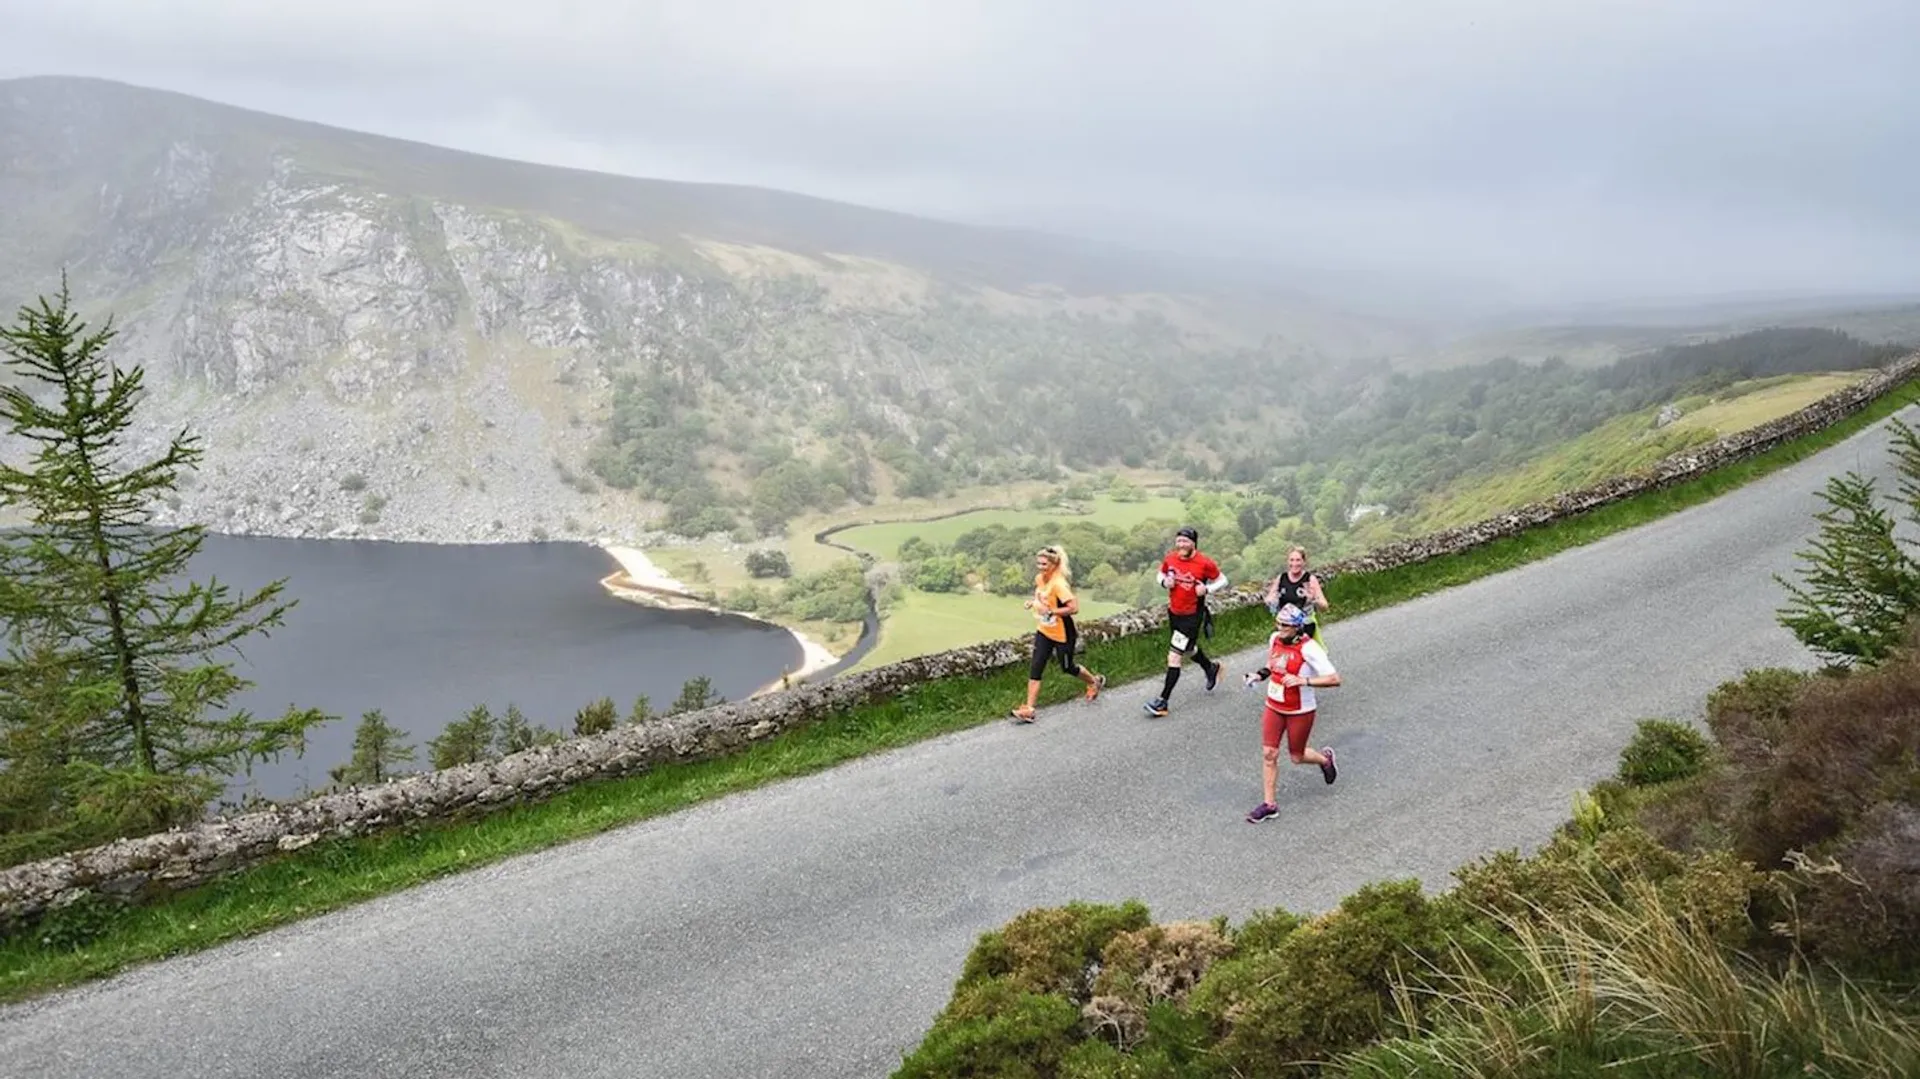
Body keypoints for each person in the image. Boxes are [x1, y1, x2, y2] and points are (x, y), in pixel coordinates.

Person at [1241, 603, 1339, 823]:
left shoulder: (1309, 649)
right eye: (1278, 623)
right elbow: (1272, 664)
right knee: (1269, 754)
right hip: (1274, 706)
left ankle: (1324, 760)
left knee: (1297, 756)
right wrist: (1258, 675)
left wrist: (1303, 680)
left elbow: (1334, 679)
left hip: (1300, 710)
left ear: (1296, 627)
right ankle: (1269, 805)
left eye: (1285, 625)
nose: (1280, 627)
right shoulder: (1274, 638)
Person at [1010, 543, 1106, 723]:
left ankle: (1094, 681)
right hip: (1045, 630)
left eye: (1044, 564)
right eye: (1038, 563)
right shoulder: (1040, 579)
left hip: (1064, 632)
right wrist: (1032, 603)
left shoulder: (1059, 584)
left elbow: (1074, 608)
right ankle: (1029, 709)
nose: (1040, 567)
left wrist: (1051, 612)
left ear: (1054, 564)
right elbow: (1042, 598)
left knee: (1067, 667)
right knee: (1036, 667)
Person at [1143, 526, 1227, 718]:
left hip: (1192, 615)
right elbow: (1160, 574)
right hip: (1174, 612)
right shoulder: (1171, 558)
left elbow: (1223, 580)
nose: (1181, 545)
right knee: (1189, 649)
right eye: (1179, 541)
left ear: (1193, 543)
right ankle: (1211, 668)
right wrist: (1165, 583)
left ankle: (1162, 702)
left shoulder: (1204, 562)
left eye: (1185, 541)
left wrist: (1207, 590)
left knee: (1174, 657)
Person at [1264, 545, 1330, 640]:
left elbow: (1325, 606)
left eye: (1298, 560)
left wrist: (1313, 600)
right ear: (1288, 562)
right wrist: (1272, 601)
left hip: (1304, 626)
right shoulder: (1281, 578)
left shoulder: (1310, 579)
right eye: (1291, 560)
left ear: (1304, 562)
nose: (1294, 563)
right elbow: (1269, 600)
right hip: (1284, 627)